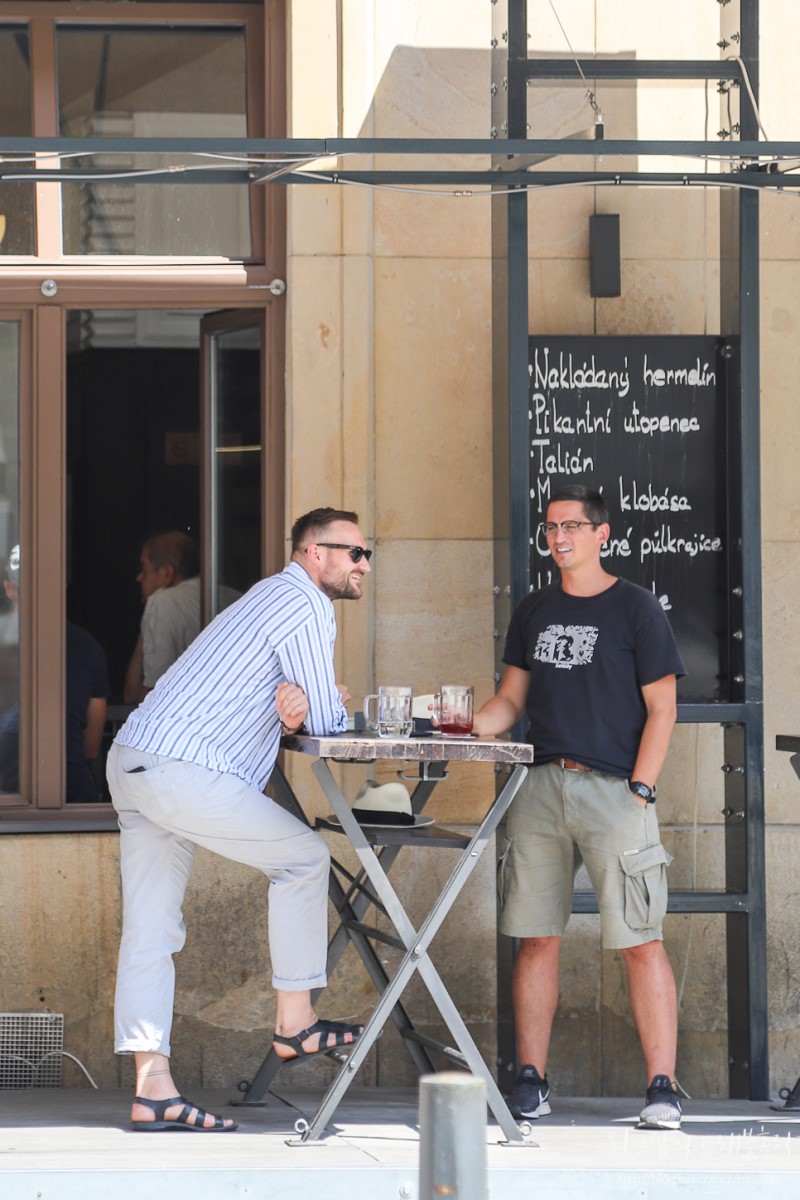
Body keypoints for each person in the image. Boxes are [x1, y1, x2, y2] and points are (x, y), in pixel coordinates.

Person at [106, 507, 372, 1132]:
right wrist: (317, 704)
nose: (364, 565)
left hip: (135, 761)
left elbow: (303, 702)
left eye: (367, 554)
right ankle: (296, 1022)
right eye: (353, 553)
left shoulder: (265, 597)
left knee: (150, 929)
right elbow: (329, 726)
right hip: (182, 769)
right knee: (304, 858)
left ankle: (153, 1088)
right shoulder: (305, 603)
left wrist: (304, 701)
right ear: (313, 553)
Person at [473, 485, 686, 1131]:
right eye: (550, 528)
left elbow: (663, 708)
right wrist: (468, 723)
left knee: (640, 941)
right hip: (538, 787)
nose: (558, 537)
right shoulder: (535, 609)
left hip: (615, 791)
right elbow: (512, 700)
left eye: (571, 526)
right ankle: (531, 1083)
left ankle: (662, 1088)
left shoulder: (636, 608)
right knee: (535, 938)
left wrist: (641, 789)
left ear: (603, 534)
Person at [0, 546, 110, 801]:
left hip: (6, 799)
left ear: (8, 588)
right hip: (68, 797)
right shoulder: (88, 647)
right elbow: (92, 747)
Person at [123, 531, 238, 704]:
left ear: (166, 573)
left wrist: (150, 611)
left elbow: (150, 693)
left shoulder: (162, 602)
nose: (139, 578)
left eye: (144, 569)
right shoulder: (235, 597)